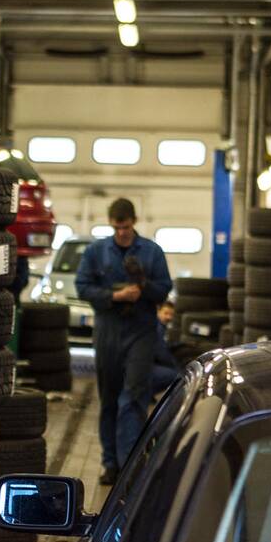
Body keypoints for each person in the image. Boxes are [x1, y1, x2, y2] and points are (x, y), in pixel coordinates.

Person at [75, 199, 172, 485]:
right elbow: (82, 287)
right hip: (108, 330)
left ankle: (130, 463)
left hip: (141, 332)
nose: (122, 233)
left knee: (134, 396)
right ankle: (110, 464)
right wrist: (115, 296)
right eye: (117, 228)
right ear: (111, 224)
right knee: (109, 399)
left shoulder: (152, 252)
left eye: (126, 227)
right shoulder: (95, 252)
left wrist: (143, 287)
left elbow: (165, 288)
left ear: (134, 222)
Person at [152, 301, 180, 395]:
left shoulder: (161, 327)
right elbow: (161, 353)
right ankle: (146, 393)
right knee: (176, 376)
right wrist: (176, 368)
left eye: (171, 314)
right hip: (145, 367)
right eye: (166, 313)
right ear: (158, 311)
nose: (169, 317)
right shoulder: (157, 327)